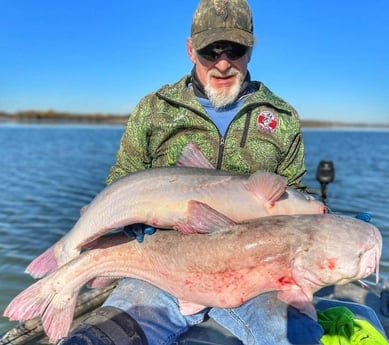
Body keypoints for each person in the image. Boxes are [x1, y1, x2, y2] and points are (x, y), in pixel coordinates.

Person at [61, 0, 324, 344]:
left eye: (235, 49)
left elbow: (294, 193)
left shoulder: (281, 116)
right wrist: (127, 224)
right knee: (94, 340)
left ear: (251, 48)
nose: (223, 63)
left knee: (298, 337)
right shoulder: (154, 108)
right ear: (190, 49)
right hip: (159, 269)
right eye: (210, 51)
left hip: (253, 274)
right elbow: (122, 178)